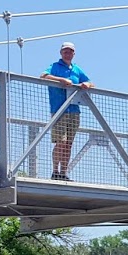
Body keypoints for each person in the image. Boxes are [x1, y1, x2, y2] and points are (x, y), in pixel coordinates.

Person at [41, 41, 93, 180]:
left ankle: (63, 173)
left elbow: (90, 82)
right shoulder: (55, 66)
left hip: (74, 110)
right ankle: (55, 171)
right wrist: (61, 80)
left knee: (69, 144)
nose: (67, 53)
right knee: (61, 142)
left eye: (70, 51)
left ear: (74, 54)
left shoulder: (77, 69)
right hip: (59, 109)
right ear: (61, 53)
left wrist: (86, 84)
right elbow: (43, 76)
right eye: (65, 51)